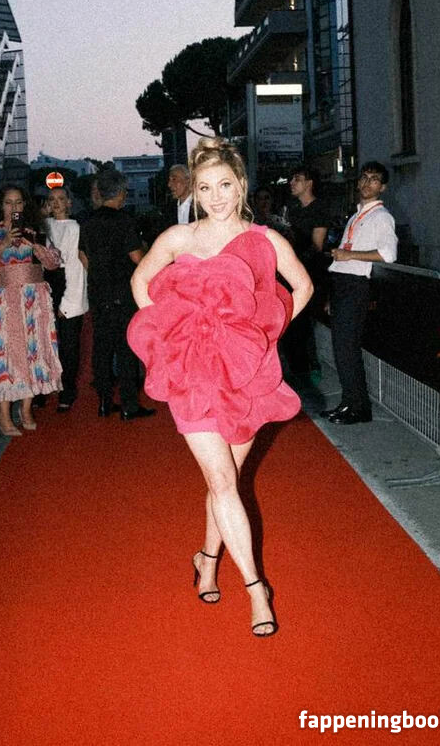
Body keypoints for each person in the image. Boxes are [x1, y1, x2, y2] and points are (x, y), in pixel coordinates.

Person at [128, 137, 313, 636]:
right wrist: (175, 331)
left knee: (223, 481)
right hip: (191, 377)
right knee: (224, 481)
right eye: (205, 187)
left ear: (241, 186)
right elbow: (141, 283)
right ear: (195, 189)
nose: (216, 197)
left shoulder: (265, 240)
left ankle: (207, 560)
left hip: (245, 378)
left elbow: (303, 287)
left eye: (224, 185)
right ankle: (257, 591)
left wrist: (264, 334)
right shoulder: (178, 237)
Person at [0, 184, 63, 437]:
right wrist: (4, 244)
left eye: (18, 202)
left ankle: (26, 408)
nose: (14, 208)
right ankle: (3, 412)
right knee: (6, 351)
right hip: (3, 301)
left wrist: (36, 245)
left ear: (25, 205)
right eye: (8, 203)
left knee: (34, 350)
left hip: (34, 299)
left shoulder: (34, 231)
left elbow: (53, 263)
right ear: (1, 205)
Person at [324, 161, 398, 425]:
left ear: (383, 187)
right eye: (364, 177)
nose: (367, 183)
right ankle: (349, 403)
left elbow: (389, 254)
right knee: (341, 349)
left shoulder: (382, 217)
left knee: (347, 349)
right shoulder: (357, 215)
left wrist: (350, 255)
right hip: (343, 284)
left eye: (374, 179)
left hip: (356, 286)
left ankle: (358, 408)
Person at [80, 167, 155, 420]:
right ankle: (129, 405)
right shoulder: (124, 221)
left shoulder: (87, 222)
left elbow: (83, 257)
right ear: (121, 193)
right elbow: (137, 257)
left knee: (101, 347)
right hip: (122, 291)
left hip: (98, 291)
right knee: (125, 348)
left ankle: (103, 401)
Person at [44, 187, 89, 412]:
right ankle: (45, 388)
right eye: (52, 199)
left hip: (69, 287)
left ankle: (67, 391)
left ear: (69, 203)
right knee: (46, 343)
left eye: (61, 199)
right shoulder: (44, 226)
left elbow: (75, 266)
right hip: (46, 287)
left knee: (69, 346)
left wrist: (67, 302)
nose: (57, 203)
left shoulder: (75, 228)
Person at [284, 165, 330, 382]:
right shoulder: (292, 209)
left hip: (309, 274)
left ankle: (310, 370)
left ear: (309, 183)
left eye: (297, 179)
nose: (292, 183)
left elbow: (317, 246)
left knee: (304, 324)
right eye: (292, 179)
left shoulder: (319, 208)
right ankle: (297, 369)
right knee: (291, 324)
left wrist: (294, 261)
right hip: (289, 274)